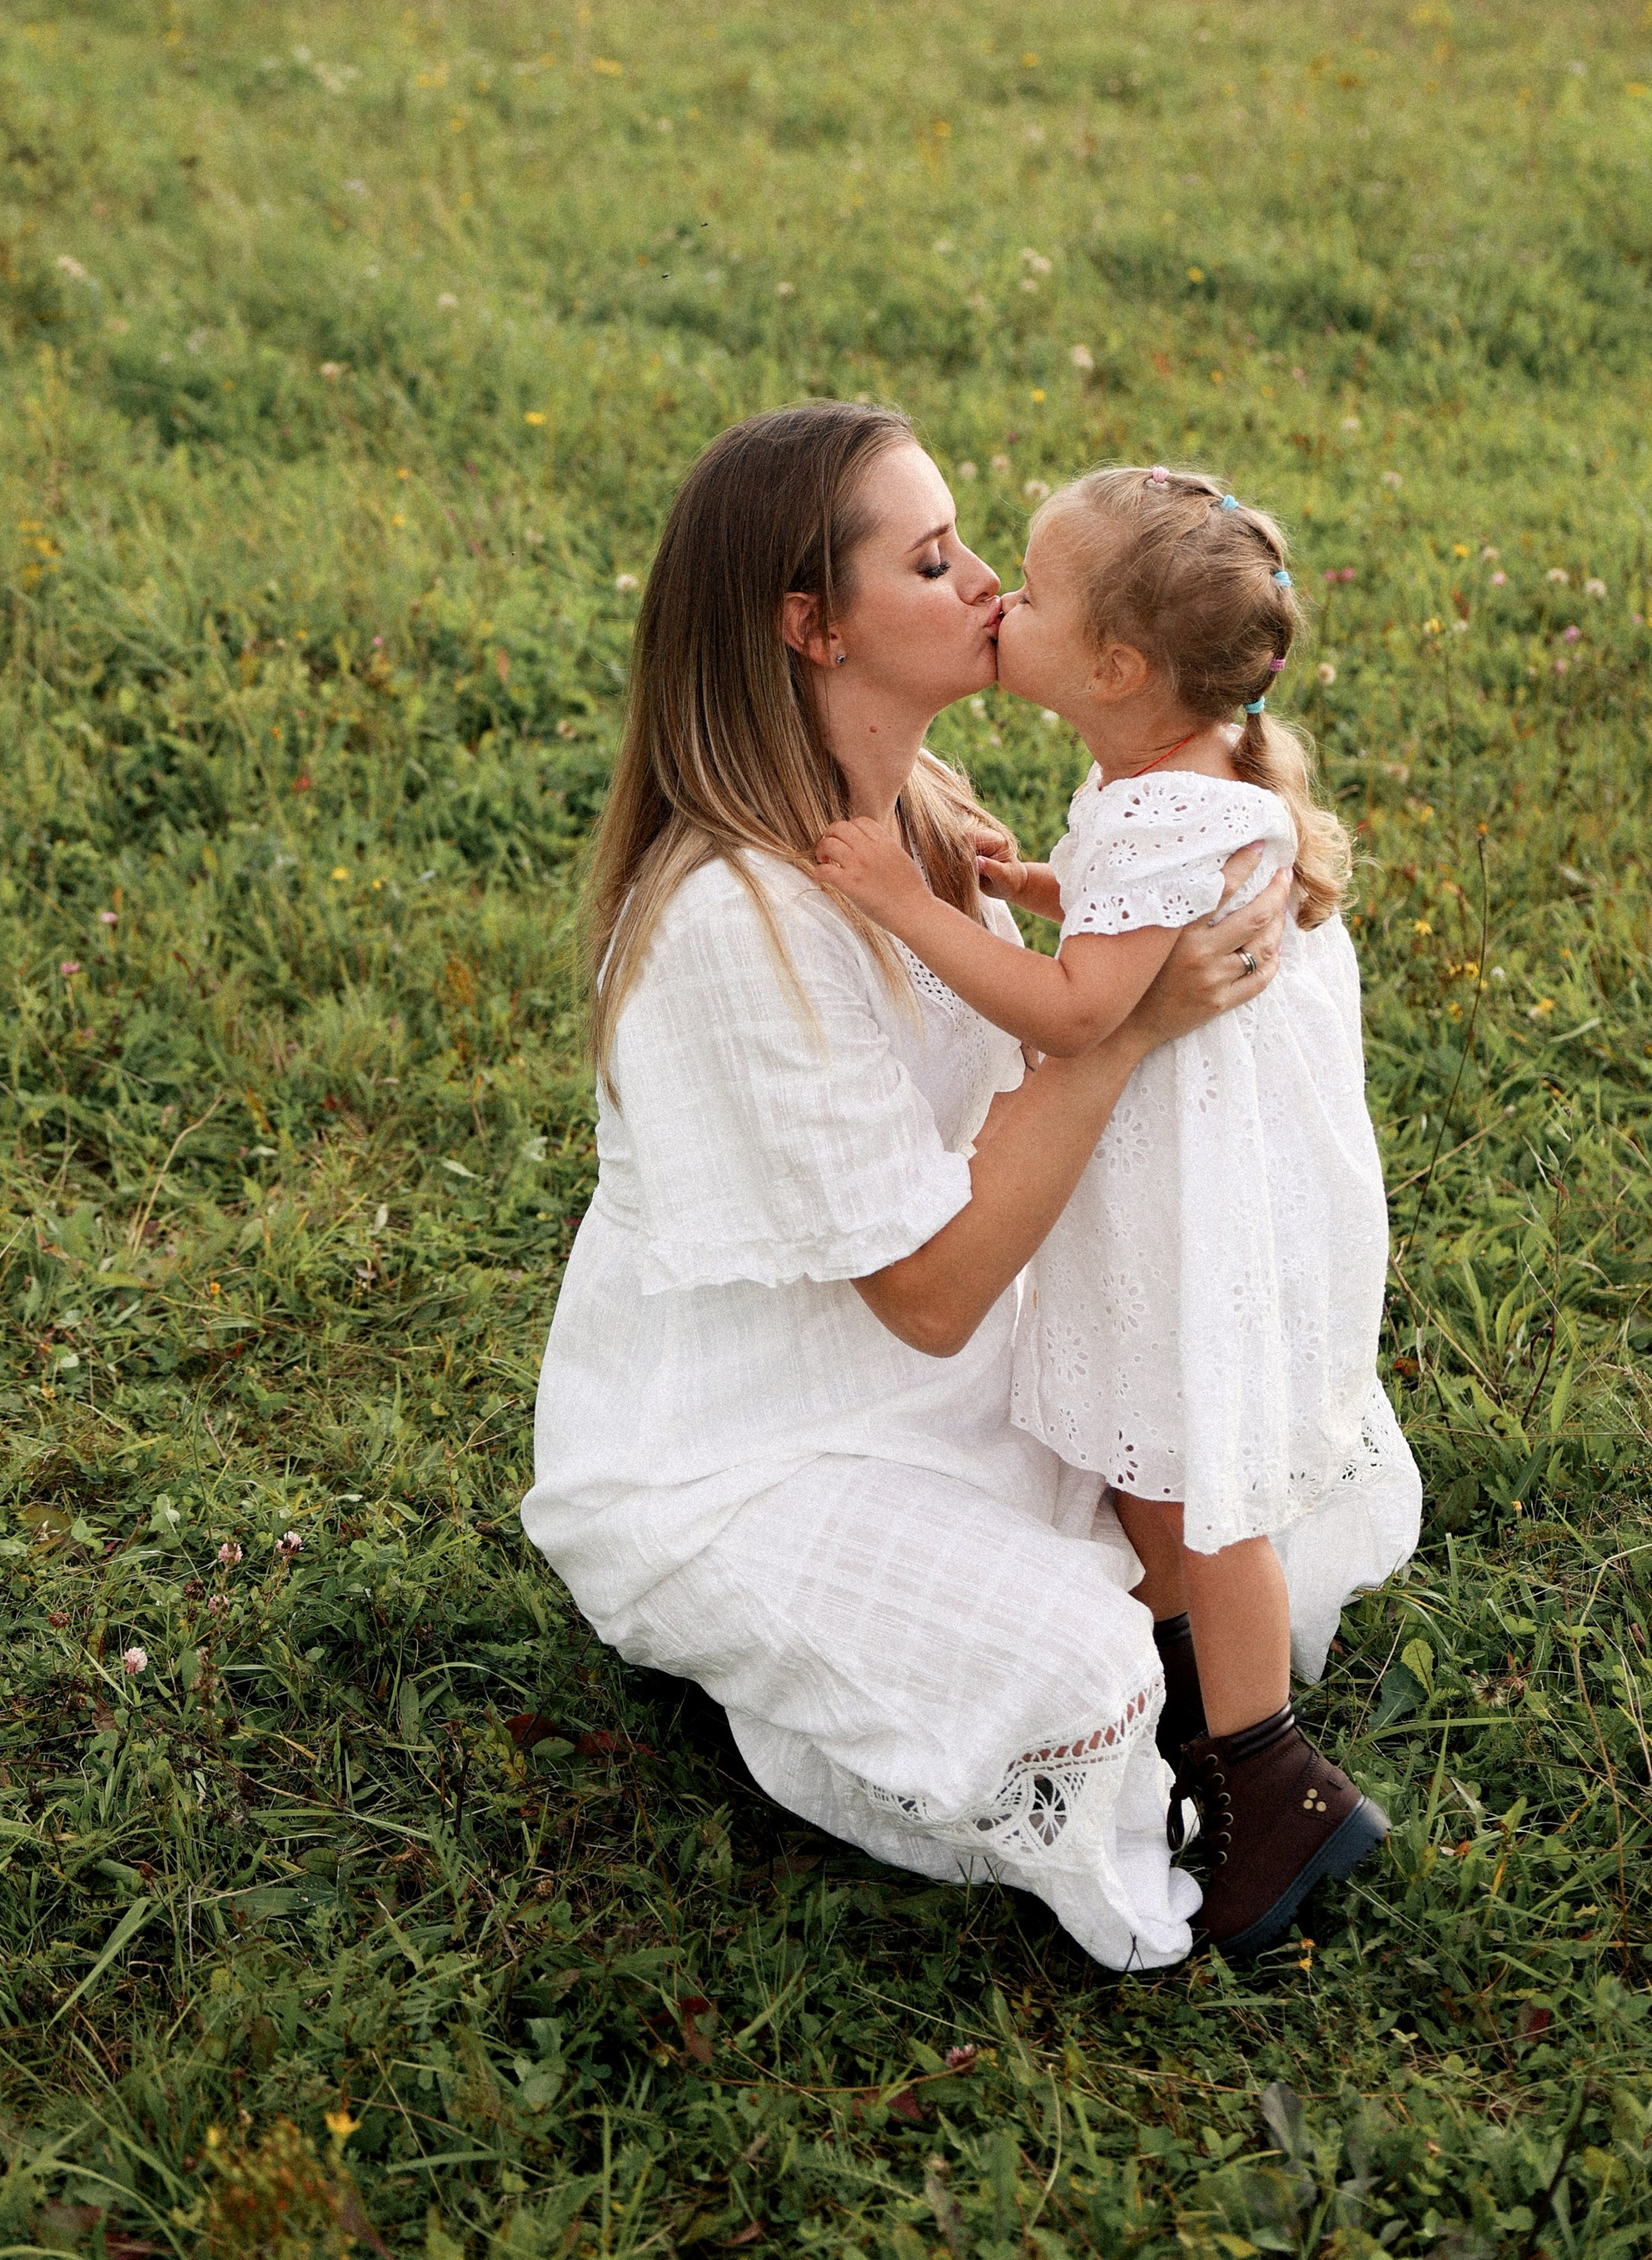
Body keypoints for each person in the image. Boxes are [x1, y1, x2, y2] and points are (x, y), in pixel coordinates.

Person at [521, 404, 1295, 1972]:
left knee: (1260, 1498)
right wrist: (1129, 1021)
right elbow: (930, 1295)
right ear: (812, 628)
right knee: (1087, 1674)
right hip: (747, 1455)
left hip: (961, 1381)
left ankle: (1174, 1696)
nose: (991, 587)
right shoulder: (735, 922)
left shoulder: (919, 814)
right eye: (935, 562)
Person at [817, 463, 1420, 1958]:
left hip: (1189, 1196)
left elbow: (1087, 1015)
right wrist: (1042, 878)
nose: (997, 604)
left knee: (1205, 1486)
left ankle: (1273, 1780)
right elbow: (1116, 921)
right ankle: (1192, 1715)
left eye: (1028, 591)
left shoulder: (1163, 811)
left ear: (1115, 670)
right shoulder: (1166, 777)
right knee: (1157, 1454)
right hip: (1186, 1176)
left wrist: (905, 902)